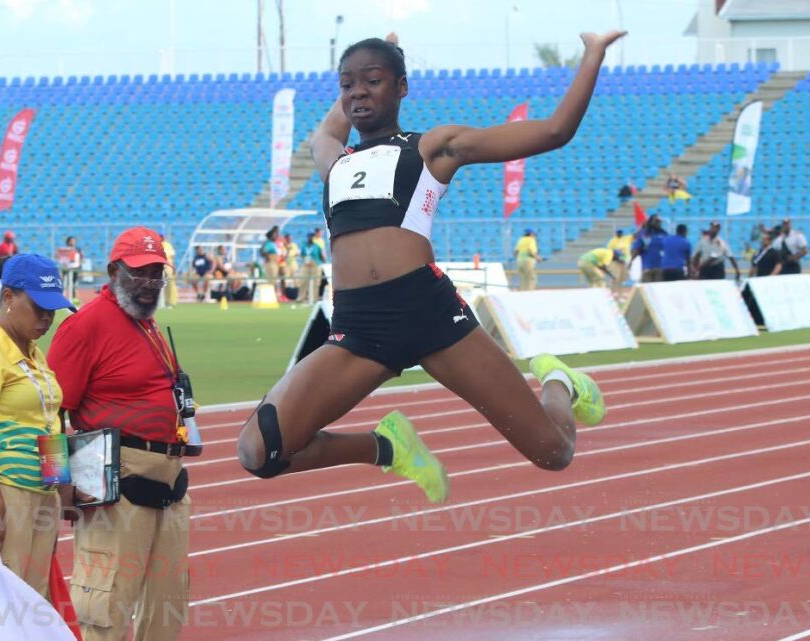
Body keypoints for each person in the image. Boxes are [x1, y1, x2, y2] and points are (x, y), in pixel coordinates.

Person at [235, 31, 624, 504]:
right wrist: (362, 72)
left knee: (554, 451)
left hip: (431, 316)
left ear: (401, 87)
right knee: (259, 451)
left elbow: (554, 131)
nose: (357, 93)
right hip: (359, 330)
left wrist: (592, 55)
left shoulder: (431, 147)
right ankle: (385, 447)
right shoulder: (335, 161)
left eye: (372, 82)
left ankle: (561, 382)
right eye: (346, 85)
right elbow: (325, 133)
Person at [47, 227, 190, 641]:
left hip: (169, 483)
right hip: (117, 481)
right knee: (106, 607)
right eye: (139, 274)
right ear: (113, 271)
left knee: (167, 605)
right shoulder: (85, 326)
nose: (148, 285)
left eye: (156, 275)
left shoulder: (147, 322)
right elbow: (49, 412)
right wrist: (60, 481)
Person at [0, 254, 76, 641]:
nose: (47, 319)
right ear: (8, 297)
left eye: (53, 309)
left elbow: (48, 423)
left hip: (40, 495)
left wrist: (62, 489)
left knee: (32, 606)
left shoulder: (34, 356)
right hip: (2, 492)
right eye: (39, 307)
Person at [630, 215, 666, 282]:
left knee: (659, 289)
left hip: (660, 268)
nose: (659, 224)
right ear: (651, 222)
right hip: (647, 268)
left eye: (659, 222)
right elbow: (635, 249)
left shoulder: (663, 234)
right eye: (656, 221)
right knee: (647, 289)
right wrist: (631, 261)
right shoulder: (645, 233)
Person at [605, 228, 633, 297]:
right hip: (616, 262)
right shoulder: (612, 241)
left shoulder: (625, 239)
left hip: (624, 261)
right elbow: (609, 252)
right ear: (616, 233)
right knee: (616, 277)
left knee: (623, 278)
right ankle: (613, 293)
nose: (619, 234)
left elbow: (634, 236)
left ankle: (620, 294)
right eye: (618, 232)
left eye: (620, 232)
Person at [57, 236, 83, 304]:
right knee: (64, 284)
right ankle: (62, 299)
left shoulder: (78, 249)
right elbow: (61, 258)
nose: (72, 242)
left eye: (74, 241)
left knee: (74, 285)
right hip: (66, 268)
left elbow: (82, 258)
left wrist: (80, 264)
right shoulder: (65, 249)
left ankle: (74, 299)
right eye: (71, 241)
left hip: (75, 269)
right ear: (68, 242)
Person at [301, 232, 327, 302]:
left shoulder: (317, 246)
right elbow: (302, 254)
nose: (310, 238)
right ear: (307, 237)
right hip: (306, 265)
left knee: (316, 282)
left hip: (315, 265)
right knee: (303, 281)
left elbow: (322, 256)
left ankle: (314, 298)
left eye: (312, 237)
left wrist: (323, 260)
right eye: (309, 237)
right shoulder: (304, 246)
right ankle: (301, 298)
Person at [261, 227, 282, 299]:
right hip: (271, 263)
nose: (277, 236)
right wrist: (268, 257)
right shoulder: (268, 243)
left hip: (275, 263)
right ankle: (270, 298)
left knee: (274, 280)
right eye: (275, 234)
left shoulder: (273, 243)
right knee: (271, 281)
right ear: (271, 236)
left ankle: (273, 297)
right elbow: (263, 251)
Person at [161, 234, 178, 308]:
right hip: (160, 267)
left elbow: (172, 257)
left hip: (168, 267)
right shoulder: (156, 245)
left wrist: (173, 267)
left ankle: (171, 302)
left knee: (170, 284)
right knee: (160, 284)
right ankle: (162, 302)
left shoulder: (168, 245)